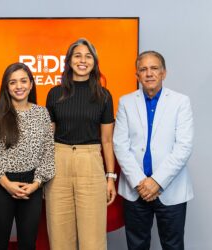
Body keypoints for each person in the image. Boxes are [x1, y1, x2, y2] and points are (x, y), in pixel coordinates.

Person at [113, 51, 194, 250]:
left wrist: (156, 182)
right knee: (137, 245)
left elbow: (184, 146)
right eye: (143, 69)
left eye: (154, 68)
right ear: (137, 75)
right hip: (135, 189)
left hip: (171, 188)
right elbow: (120, 145)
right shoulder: (126, 102)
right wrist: (141, 183)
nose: (149, 73)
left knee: (173, 245)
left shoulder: (180, 102)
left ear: (164, 73)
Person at [45, 38, 117, 250]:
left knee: (93, 239)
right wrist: (43, 173)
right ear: (69, 61)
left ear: (94, 62)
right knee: (59, 238)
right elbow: (48, 139)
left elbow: (107, 140)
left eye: (88, 56)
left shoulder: (103, 96)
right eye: (77, 56)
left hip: (91, 162)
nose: (82, 60)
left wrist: (110, 177)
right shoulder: (54, 94)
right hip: (59, 162)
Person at [0, 62, 55, 250]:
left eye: (23, 81)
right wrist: (7, 184)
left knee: (28, 243)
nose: (18, 86)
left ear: (31, 84)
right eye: (12, 82)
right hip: (0, 184)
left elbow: (48, 152)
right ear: (6, 86)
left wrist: (36, 184)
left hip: (32, 185)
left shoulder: (42, 113)